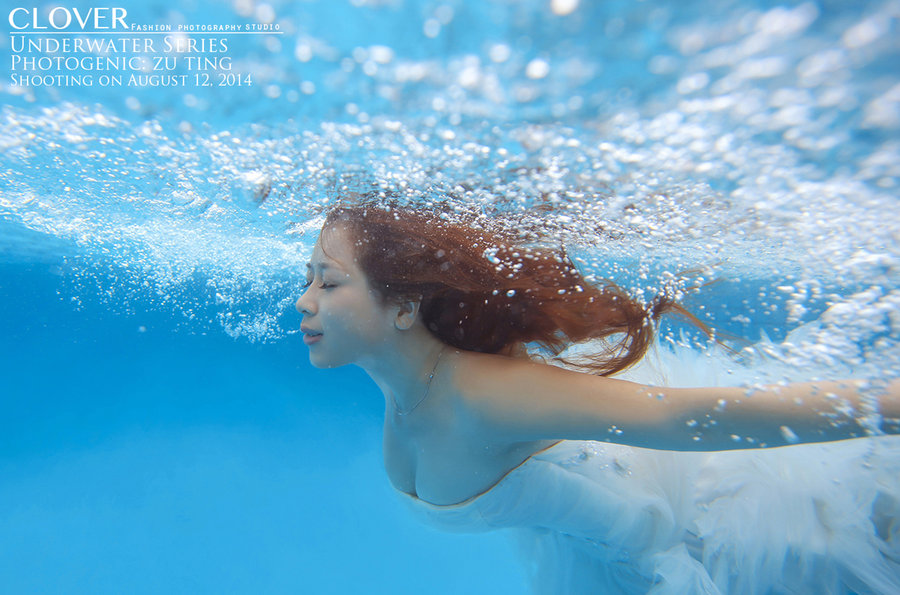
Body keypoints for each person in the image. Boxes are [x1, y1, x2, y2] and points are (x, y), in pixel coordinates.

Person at [295, 201, 900, 594]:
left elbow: (682, 419)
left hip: (717, 528)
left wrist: (883, 407)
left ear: (403, 307)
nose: (305, 300)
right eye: (306, 279)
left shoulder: (479, 393)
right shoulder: (406, 391)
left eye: (329, 280)